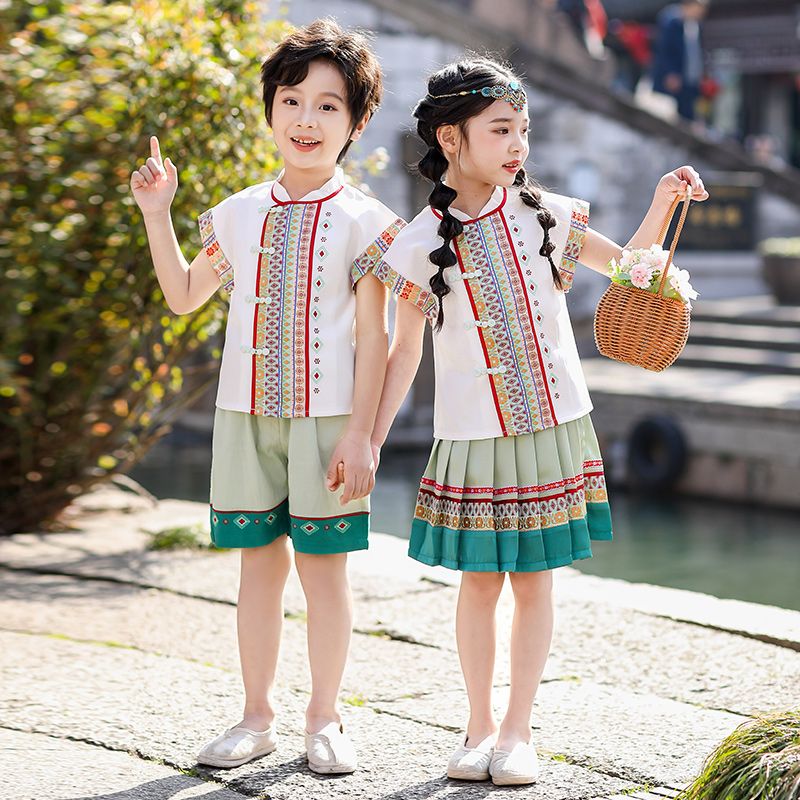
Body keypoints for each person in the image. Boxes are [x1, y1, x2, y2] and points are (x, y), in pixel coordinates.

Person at [365, 57, 708, 786]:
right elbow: (402, 354)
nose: (518, 143)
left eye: (523, 128)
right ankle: (477, 726)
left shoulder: (547, 213)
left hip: (553, 424)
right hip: (473, 434)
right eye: (501, 129)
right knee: (478, 583)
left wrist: (661, 198)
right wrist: (366, 440)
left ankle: (518, 730)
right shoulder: (418, 241)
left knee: (534, 582)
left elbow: (631, 271)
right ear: (451, 139)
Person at [129, 19, 404, 774]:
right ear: (271, 108)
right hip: (243, 415)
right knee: (257, 567)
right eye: (291, 100)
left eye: (327, 106)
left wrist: (363, 437)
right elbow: (186, 295)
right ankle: (256, 717)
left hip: (329, 422)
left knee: (324, 574)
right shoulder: (237, 213)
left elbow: (375, 341)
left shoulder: (369, 223)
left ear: (356, 122)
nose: (305, 120)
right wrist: (159, 215)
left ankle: (326, 718)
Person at [651, 0, 710, 121]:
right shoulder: (671, 22)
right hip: (674, 78)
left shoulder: (695, 26)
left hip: (690, 79)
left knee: (688, 115)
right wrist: (671, 73)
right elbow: (665, 51)